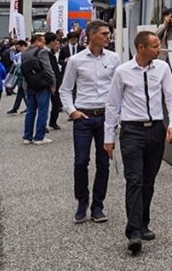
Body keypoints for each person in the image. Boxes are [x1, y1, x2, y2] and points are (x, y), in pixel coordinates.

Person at [104, 31, 172, 256]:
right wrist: (109, 137)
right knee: (134, 180)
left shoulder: (163, 69)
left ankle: (143, 222)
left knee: (148, 181)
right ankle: (134, 232)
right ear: (141, 48)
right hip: (132, 131)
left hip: (156, 129)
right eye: (155, 46)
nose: (160, 50)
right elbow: (112, 104)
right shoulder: (122, 72)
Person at [60, 19, 119, 225]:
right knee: (80, 162)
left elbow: (119, 87)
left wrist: (117, 113)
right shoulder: (76, 60)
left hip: (105, 117)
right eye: (104, 33)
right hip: (83, 117)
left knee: (104, 163)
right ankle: (81, 202)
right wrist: (72, 111)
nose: (108, 37)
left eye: (108, 33)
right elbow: (65, 89)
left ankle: (98, 206)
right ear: (91, 35)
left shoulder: (114, 59)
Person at [20, 33, 55, 145]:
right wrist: (53, 83)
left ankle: (27, 136)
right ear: (37, 41)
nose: (44, 44)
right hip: (42, 85)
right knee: (43, 110)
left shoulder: (24, 53)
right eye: (43, 42)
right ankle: (39, 137)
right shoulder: (42, 52)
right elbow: (48, 69)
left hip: (29, 84)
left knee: (30, 111)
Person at [45, 32, 64, 131]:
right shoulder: (45, 53)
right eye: (56, 41)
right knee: (46, 105)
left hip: (56, 81)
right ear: (51, 41)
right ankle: (44, 124)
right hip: (49, 82)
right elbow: (49, 69)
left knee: (56, 103)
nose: (57, 43)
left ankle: (53, 122)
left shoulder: (53, 52)